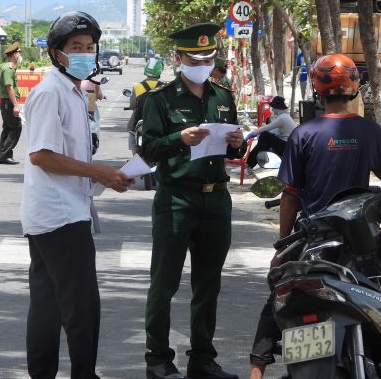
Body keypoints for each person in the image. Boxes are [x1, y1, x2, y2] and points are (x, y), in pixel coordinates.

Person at [247, 54, 381, 379]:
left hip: (312, 239)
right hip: (356, 239)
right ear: (353, 88)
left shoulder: (304, 134)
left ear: (318, 90)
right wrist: (377, 198)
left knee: (280, 295)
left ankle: (256, 370)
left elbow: (290, 194)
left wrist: (283, 246)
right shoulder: (368, 131)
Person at [20, 11, 134, 379]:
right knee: (81, 308)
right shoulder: (50, 92)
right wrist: (97, 171)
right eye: (75, 47)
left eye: (89, 47)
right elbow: (42, 155)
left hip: (61, 211)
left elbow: (71, 159)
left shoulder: (72, 91)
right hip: (59, 217)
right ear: (56, 53)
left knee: (48, 306)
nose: (85, 53)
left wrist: (107, 177)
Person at [140, 23, 245, 379]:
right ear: (178, 58)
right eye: (195, 58)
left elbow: (236, 145)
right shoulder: (159, 99)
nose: (203, 63)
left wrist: (238, 143)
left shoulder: (223, 96)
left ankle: (202, 359)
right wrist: (178, 138)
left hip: (216, 200)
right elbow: (148, 149)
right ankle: (158, 359)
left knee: (209, 284)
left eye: (209, 57)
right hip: (177, 199)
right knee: (164, 282)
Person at [243, 96, 296, 170]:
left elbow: (266, 127)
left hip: (287, 147)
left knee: (265, 136)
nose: (273, 109)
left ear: (277, 108)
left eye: (273, 107)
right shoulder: (285, 116)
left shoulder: (283, 118)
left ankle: (248, 165)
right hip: (288, 146)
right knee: (263, 143)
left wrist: (252, 133)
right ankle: (249, 165)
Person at [127, 57, 165, 152]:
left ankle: (135, 156)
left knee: (132, 133)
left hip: (138, 121)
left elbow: (132, 106)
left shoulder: (137, 87)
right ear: (159, 71)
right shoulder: (165, 87)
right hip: (158, 123)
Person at [0, 42, 23, 165]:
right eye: (19, 53)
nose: (20, 55)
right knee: (16, 126)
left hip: (6, 102)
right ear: (14, 54)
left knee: (8, 128)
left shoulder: (8, 67)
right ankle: (4, 155)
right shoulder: (9, 68)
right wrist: (16, 105)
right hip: (8, 102)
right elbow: (9, 87)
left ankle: (3, 155)